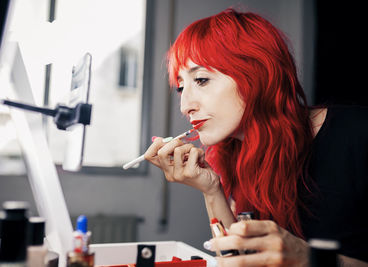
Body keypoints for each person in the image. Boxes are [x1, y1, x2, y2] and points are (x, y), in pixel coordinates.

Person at [144, 8, 368, 267]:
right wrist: (211, 189)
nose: (185, 106)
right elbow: (242, 262)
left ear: (256, 72)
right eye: (181, 87)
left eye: (202, 80)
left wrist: (308, 259)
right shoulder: (234, 152)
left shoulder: (359, 135)